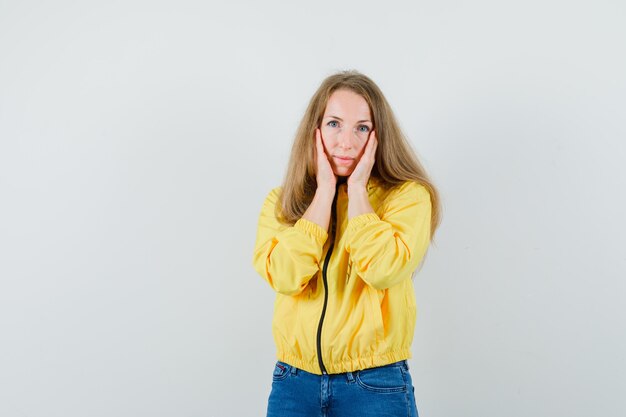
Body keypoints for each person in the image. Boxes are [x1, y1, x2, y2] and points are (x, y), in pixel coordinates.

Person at [252, 70, 441, 417]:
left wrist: (356, 190)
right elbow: (284, 276)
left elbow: (384, 269)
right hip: (293, 383)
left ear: (378, 136)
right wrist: (323, 194)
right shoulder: (281, 203)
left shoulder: (408, 197)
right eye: (334, 124)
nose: (346, 142)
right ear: (315, 131)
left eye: (362, 128)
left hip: (375, 384)